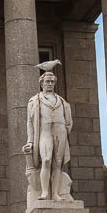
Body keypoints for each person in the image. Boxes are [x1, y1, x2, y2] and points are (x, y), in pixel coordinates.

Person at [23, 71, 73, 201]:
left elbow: (68, 121)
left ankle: (55, 193)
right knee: (46, 160)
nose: (50, 84)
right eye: (47, 81)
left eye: (52, 82)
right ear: (42, 83)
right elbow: (30, 122)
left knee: (58, 163)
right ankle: (44, 192)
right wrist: (30, 141)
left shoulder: (62, 101)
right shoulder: (34, 100)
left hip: (60, 131)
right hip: (44, 132)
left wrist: (66, 128)